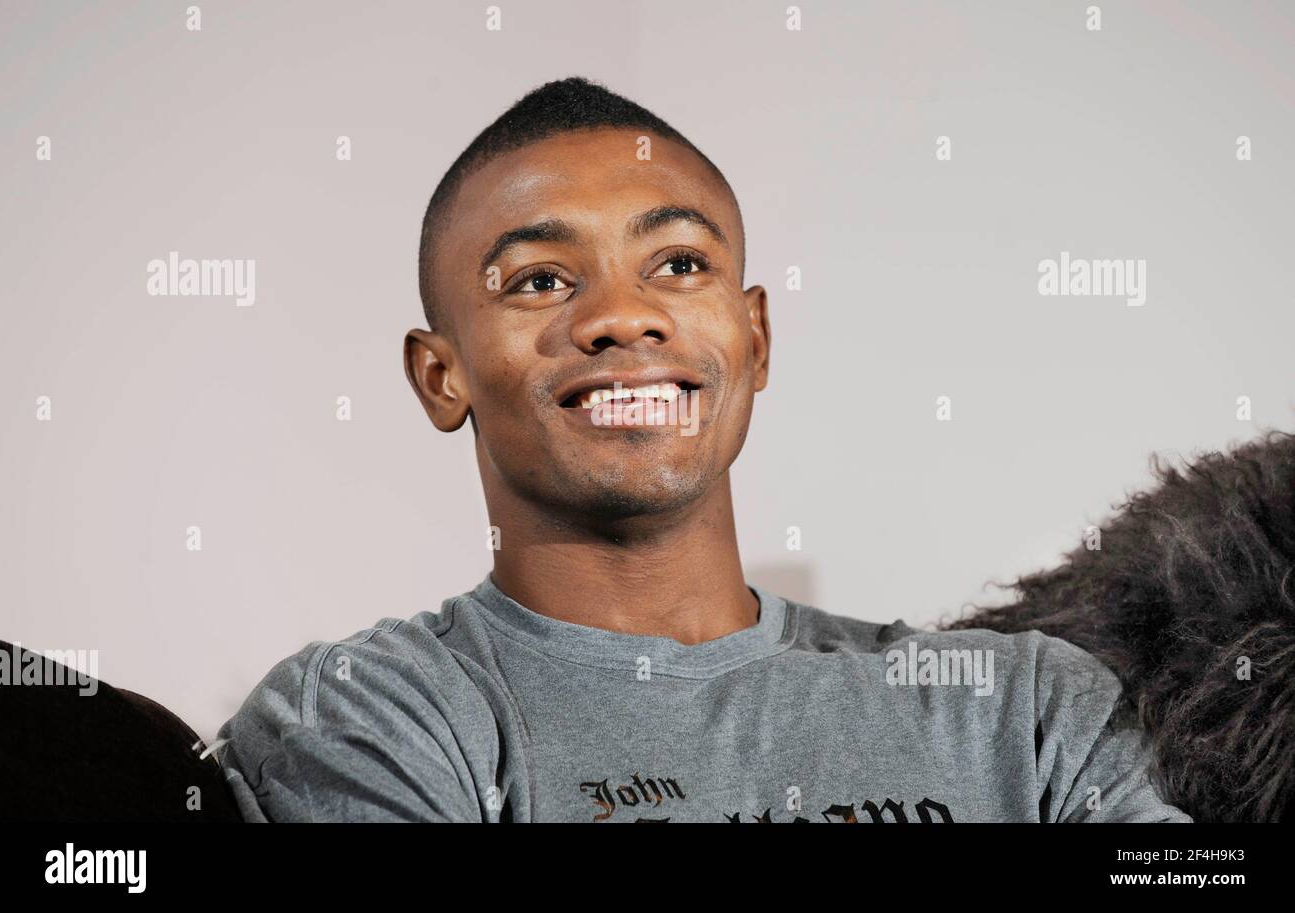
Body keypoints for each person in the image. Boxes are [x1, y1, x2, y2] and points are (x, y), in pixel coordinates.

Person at [216, 76, 1190, 823]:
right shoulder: (373, 711)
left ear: (754, 338)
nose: (622, 315)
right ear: (441, 376)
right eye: (540, 280)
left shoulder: (1024, 704)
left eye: (679, 264)